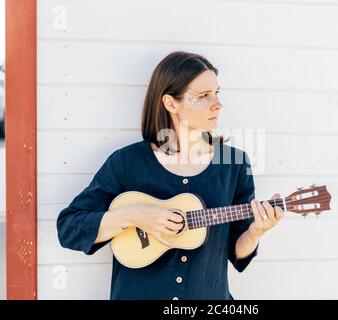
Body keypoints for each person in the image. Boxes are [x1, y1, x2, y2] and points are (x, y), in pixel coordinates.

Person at [57, 51, 284, 300]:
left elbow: (236, 250)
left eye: (217, 93)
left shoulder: (234, 164)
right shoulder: (128, 162)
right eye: (203, 96)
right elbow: (69, 228)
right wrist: (135, 216)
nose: (217, 103)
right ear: (170, 103)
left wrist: (255, 232)